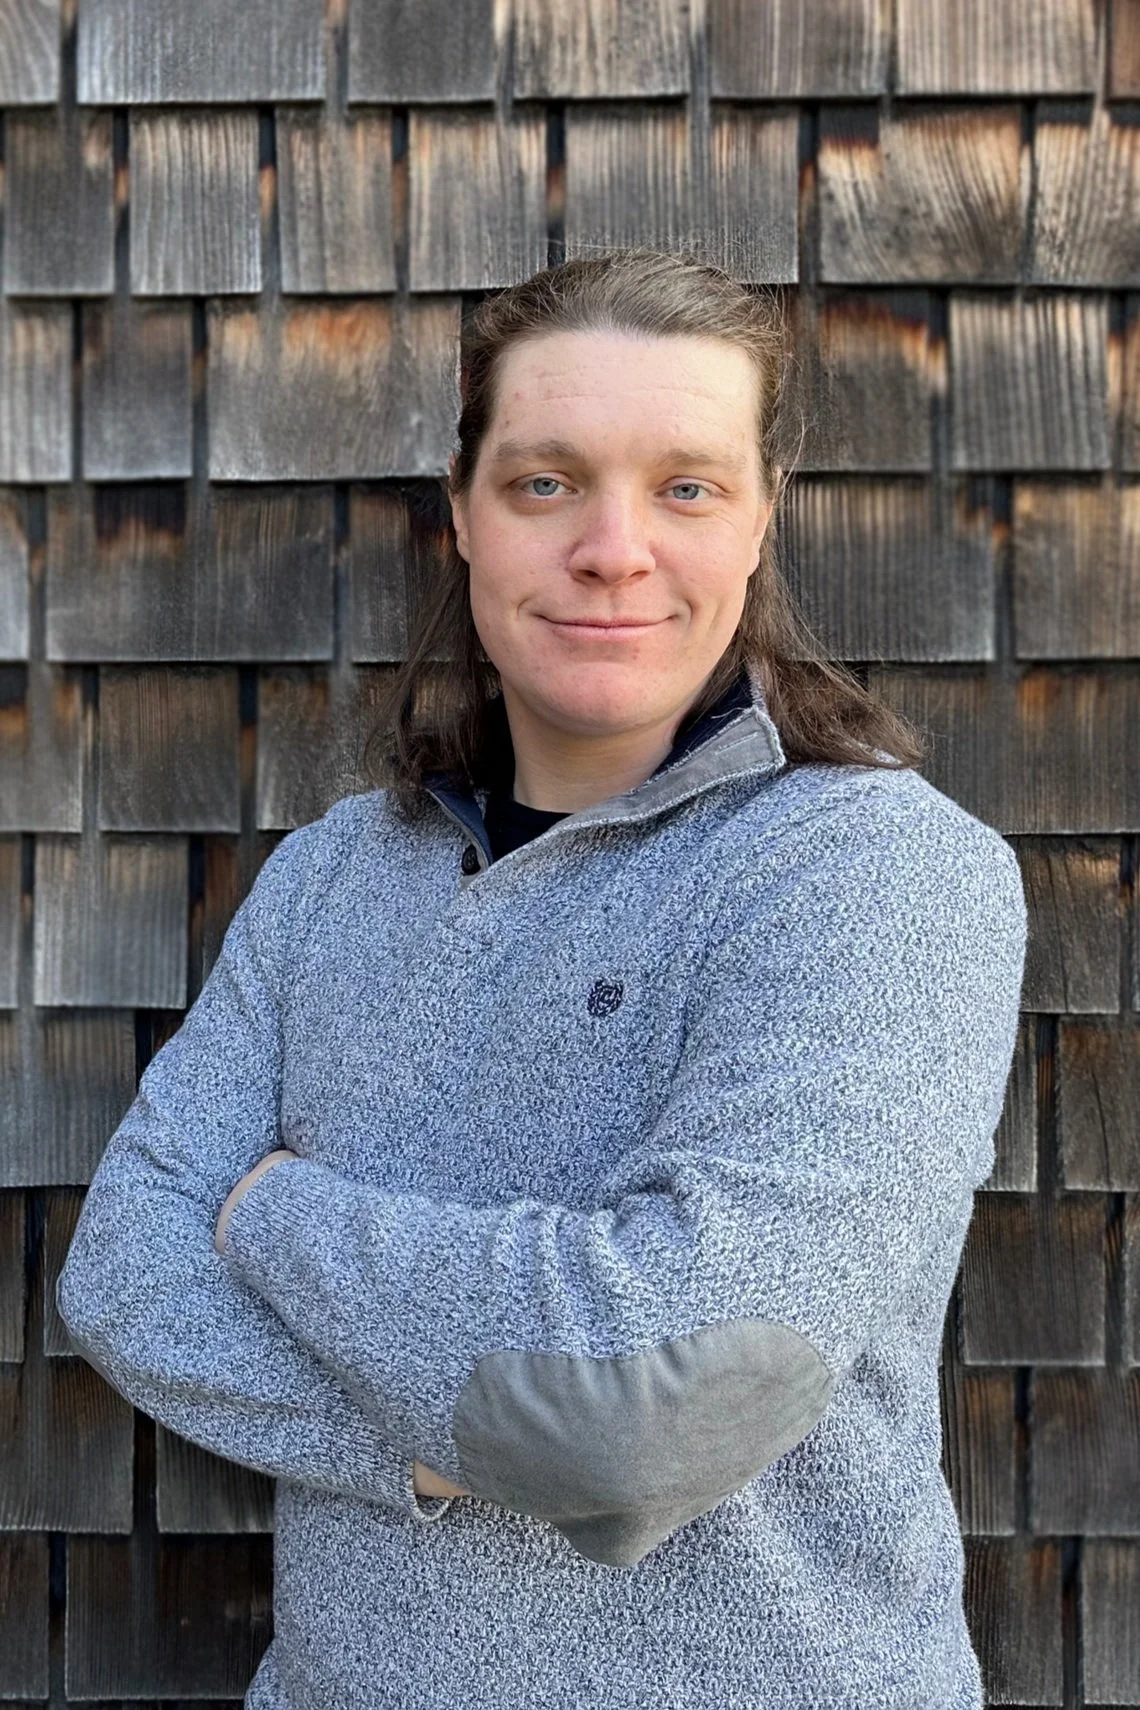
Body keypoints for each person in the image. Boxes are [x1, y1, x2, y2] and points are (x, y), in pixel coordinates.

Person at [56, 246, 1027, 1709]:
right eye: (547, 480)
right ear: (463, 515)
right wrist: (438, 1442)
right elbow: (124, 1271)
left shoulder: (874, 875)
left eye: (685, 486)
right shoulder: (332, 873)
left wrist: (265, 1209)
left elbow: (665, 1399)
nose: (614, 548)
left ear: (760, 518)